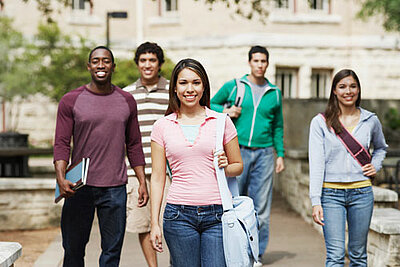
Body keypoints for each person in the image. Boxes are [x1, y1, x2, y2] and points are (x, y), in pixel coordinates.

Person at [53, 46, 148, 267]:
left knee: (112, 252)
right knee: (73, 249)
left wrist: (142, 181)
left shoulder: (126, 100)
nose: (101, 65)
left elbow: (134, 143)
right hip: (79, 187)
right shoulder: (71, 100)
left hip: (114, 188)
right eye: (96, 61)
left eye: (106, 61)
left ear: (113, 67)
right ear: (89, 66)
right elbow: (61, 143)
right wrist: (60, 176)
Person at [149, 58, 243, 267]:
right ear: (174, 87)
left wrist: (226, 166)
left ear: (204, 87)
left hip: (218, 214)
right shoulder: (162, 126)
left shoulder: (221, 121)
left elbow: (238, 166)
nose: (189, 89)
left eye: (196, 82)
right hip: (178, 216)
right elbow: (157, 177)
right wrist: (154, 222)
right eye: (183, 83)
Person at [210, 45, 285, 265]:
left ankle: (256, 254)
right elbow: (211, 104)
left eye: (263, 61)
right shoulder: (234, 86)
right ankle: (233, 251)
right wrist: (227, 111)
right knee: (232, 203)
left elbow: (278, 126)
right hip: (237, 150)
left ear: (267, 64)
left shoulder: (275, 93)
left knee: (261, 207)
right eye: (256, 61)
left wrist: (280, 154)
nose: (259, 65)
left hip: (264, 153)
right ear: (249, 62)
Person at [309, 69, 387, 266]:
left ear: (359, 90)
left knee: (358, 256)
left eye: (353, 86)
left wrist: (375, 165)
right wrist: (315, 200)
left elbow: (381, 148)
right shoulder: (320, 122)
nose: (348, 91)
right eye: (342, 86)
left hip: (361, 193)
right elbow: (316, 163)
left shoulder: (370, 120)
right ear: (334, 91)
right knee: (335, 257)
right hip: (330, 195)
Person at [123, 42, 169, 267]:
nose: (147, 65)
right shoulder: (127, 94)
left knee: (169, 222)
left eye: (152, 60)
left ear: (159, 64)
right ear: (137, 64)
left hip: (167, 171)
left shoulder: (173, 90)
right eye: (143, 60)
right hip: (135, 172)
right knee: (142, 224)